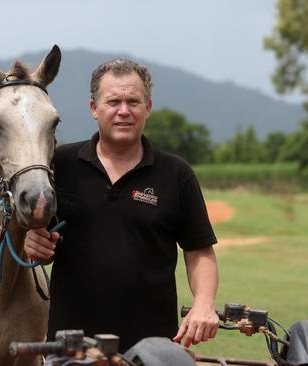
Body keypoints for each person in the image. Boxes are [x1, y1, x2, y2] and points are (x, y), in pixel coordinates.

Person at [24, 58, 220, 352]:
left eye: (134, 101)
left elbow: (199, 251)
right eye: (113, 101)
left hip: (153, 349)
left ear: (148, 108)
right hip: (70, 347)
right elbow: (34, 238)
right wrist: (30, 241)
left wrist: (204, 304)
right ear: (94, 108)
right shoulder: (60, 165)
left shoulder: (176, 174)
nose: (124, 111)